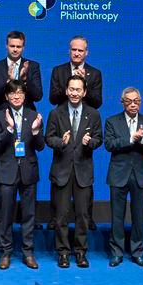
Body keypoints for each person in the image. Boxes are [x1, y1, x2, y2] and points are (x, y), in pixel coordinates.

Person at [45, 75, 102, 269]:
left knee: (83, 215)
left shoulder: (93, 114)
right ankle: (62, 253)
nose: (75, 93)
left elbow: (99, 139)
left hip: (83, 172)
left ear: (84, 92)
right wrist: (61, 142)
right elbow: (48, 138)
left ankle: (80, 252)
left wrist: (90, 143)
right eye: (71, 89)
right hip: (61, 171)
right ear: (66, 91)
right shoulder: (56, 113)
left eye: (78, 90)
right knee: (61, 216)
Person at [48, 35, 102, 231]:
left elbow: (97, 101)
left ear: (86, 52)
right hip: (63, 122)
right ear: (69, 51)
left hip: (85, 124)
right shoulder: (59, 71)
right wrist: (71, 89)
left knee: (83, 171)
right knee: (60, 172)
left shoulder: (94, 73)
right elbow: (53, 98)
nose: (77, 53)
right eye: (74, 50)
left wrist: (83, 84)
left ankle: (86, 217)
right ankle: (56, 217)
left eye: (81, 50)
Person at [0, 80, 44, 270]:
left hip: (28, 170)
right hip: (7, 171)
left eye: (20, 92)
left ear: (24, 95)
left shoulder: (33, 115)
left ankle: (28, 252)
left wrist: (36, 131)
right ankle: (5, 252)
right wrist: (10, 129)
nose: (16, 96)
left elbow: (40, 146)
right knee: (5, 215)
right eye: (12, 93)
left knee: (29, 214)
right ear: (6, 96)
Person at [105, 87, 143, 268]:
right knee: (117, 217)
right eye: (129, 101)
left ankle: (137, 252)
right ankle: (117, 253)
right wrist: (131, 139)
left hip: (140, 175)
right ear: (122, 102)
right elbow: (109, 144)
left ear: (140, 102)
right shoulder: (112, 121)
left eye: (136, 101)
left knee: (138, 216)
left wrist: (141, 140)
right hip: (118, 175)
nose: (133, 104)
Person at [0, 31, 43, 112]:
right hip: (1, 116)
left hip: (27, 115)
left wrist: (25, 79)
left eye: (18, 47)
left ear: (23, 47)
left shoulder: (32, 66)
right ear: (6, 46)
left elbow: (38, 96)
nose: (15, 49)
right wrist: (8, 81)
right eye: (12, 46)